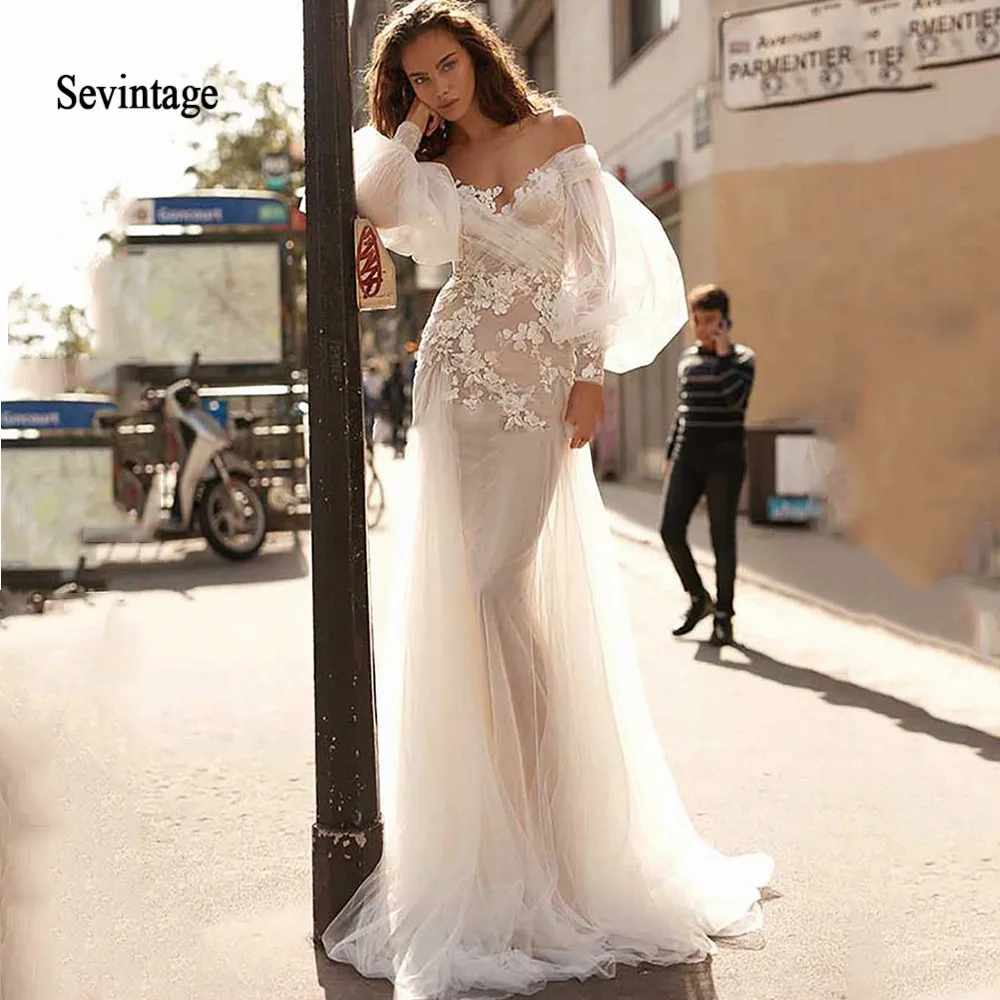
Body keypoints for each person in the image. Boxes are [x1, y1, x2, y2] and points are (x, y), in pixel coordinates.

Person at [322, 4, 773, 997]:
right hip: (453, 381)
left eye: (448, 67)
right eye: (420, 79)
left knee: (496, 586)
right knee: (467, 591)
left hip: (536, 387)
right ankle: (494, 819)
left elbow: (594, 259)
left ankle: (545, 803)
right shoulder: (429, 162)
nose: (440, 87)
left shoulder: (557, 135)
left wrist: (593, 374)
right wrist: (402, 128)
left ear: (478, 57)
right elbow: (370, 200)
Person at [660, 285, 756, 647]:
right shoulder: (687, 360)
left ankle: (724, 617)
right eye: (697, 321)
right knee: (669, 529)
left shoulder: (743, 359)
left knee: (721, 539)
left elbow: (736, 401)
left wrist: (723, 353)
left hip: (726, 461)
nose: (702, 328)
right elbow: (683, 411)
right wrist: (670, 454)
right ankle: (699, 598)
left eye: (710, 321)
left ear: (725, 321)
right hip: (688, 456)